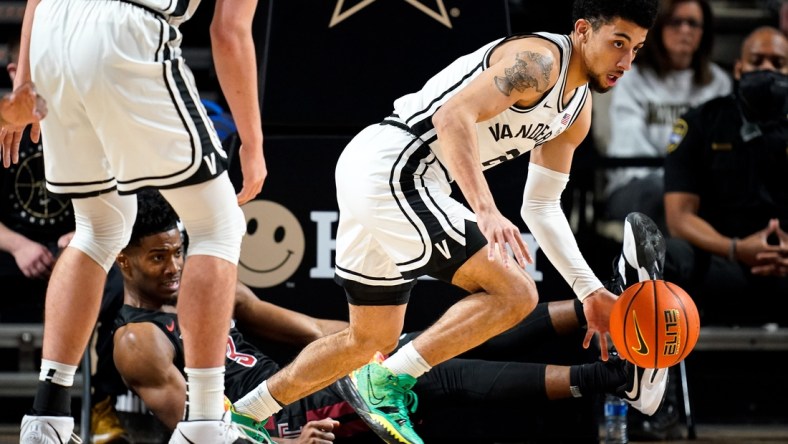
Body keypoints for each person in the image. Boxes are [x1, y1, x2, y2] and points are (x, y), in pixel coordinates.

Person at [228, 1, 661, 443]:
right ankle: (385, 380)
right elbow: (451, 115)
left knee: (368, 338)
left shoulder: (577, 112)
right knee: (514, 292)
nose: (625, 62)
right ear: (584, 30)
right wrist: (486, 209)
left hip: (381, 170)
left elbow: (543, 206)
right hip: (398, 165)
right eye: (618, 43)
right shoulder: (540, 61)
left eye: (637, 49)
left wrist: (589, 291)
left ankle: (243, 414)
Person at [111, 191, 667, 443]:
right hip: (275, 421)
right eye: (157, 257)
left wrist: (383, 339)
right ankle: (613, 377)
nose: (175, 266)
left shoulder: (213, 289)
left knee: (436, 342)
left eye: (177, 251)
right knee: (435, 369)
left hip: (296, 381)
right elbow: (192, 435)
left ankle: (615, 308)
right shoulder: (138, 339)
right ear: (123, 259)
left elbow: (308, 330)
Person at [8, 0, 266, 442]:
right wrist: (252, 143)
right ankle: (204, 421)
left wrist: (23, 86)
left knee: (100, 226)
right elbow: (228, 32)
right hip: (126, 27)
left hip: (53, 27)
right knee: (218, 224)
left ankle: (47, 417)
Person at [663, 26, 788, 327]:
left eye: (779, 63)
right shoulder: (700, 123)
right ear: (738, 68)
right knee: (666, 255)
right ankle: (654, 366)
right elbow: (679, 217)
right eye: (757, 62)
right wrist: (736, 249)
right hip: (723, 259)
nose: (767, 70)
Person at [601, 0, 731, 232]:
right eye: (675, 22)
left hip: (698, 187)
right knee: (664, 193)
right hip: (638, 187)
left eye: (692, 23)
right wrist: (679, 183)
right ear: (658, 26)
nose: (684, 30)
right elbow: (630, 151)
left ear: (704, 31)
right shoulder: (632, 78)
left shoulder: (718, 82)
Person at [0, 34, 70, 324]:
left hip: (74, 250)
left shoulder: (85, 120)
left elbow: (123, 194)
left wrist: (91, 234)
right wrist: (18, 246)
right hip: (10, 248)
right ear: (15, 74)